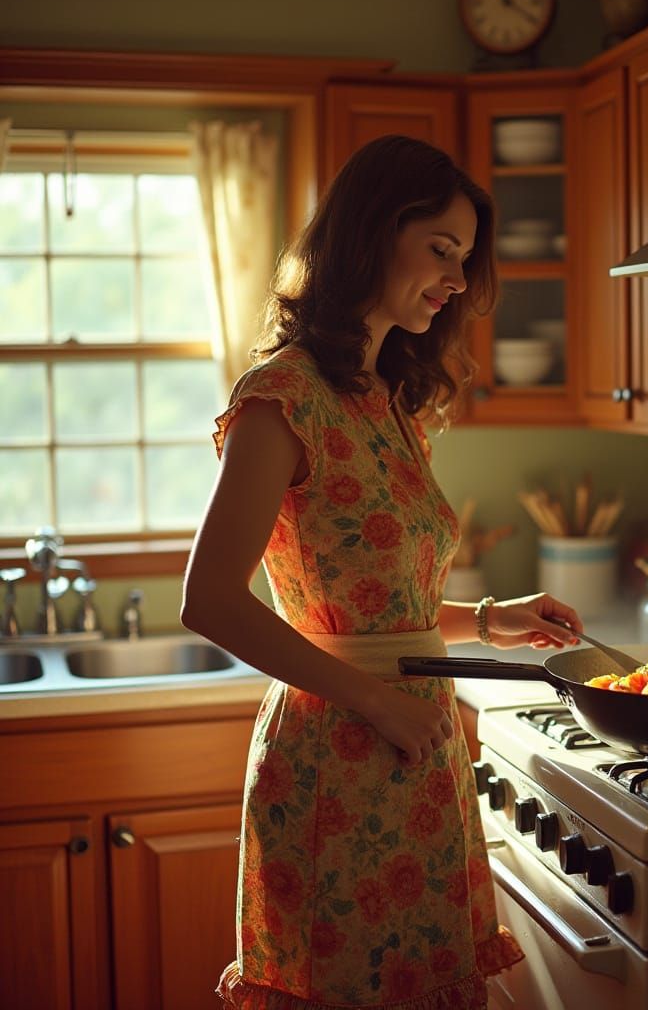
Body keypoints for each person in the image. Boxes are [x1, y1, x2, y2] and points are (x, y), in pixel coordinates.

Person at [181, 134, 584, 1010]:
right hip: (336, 761)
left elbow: (377, 606)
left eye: (465, 258)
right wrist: (373, 702)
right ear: (369, 234)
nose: (454, 279)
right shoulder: (281, 398)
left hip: (417, 755)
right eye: (440, 249)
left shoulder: (384, 396)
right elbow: (208, 600)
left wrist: (487, 616)